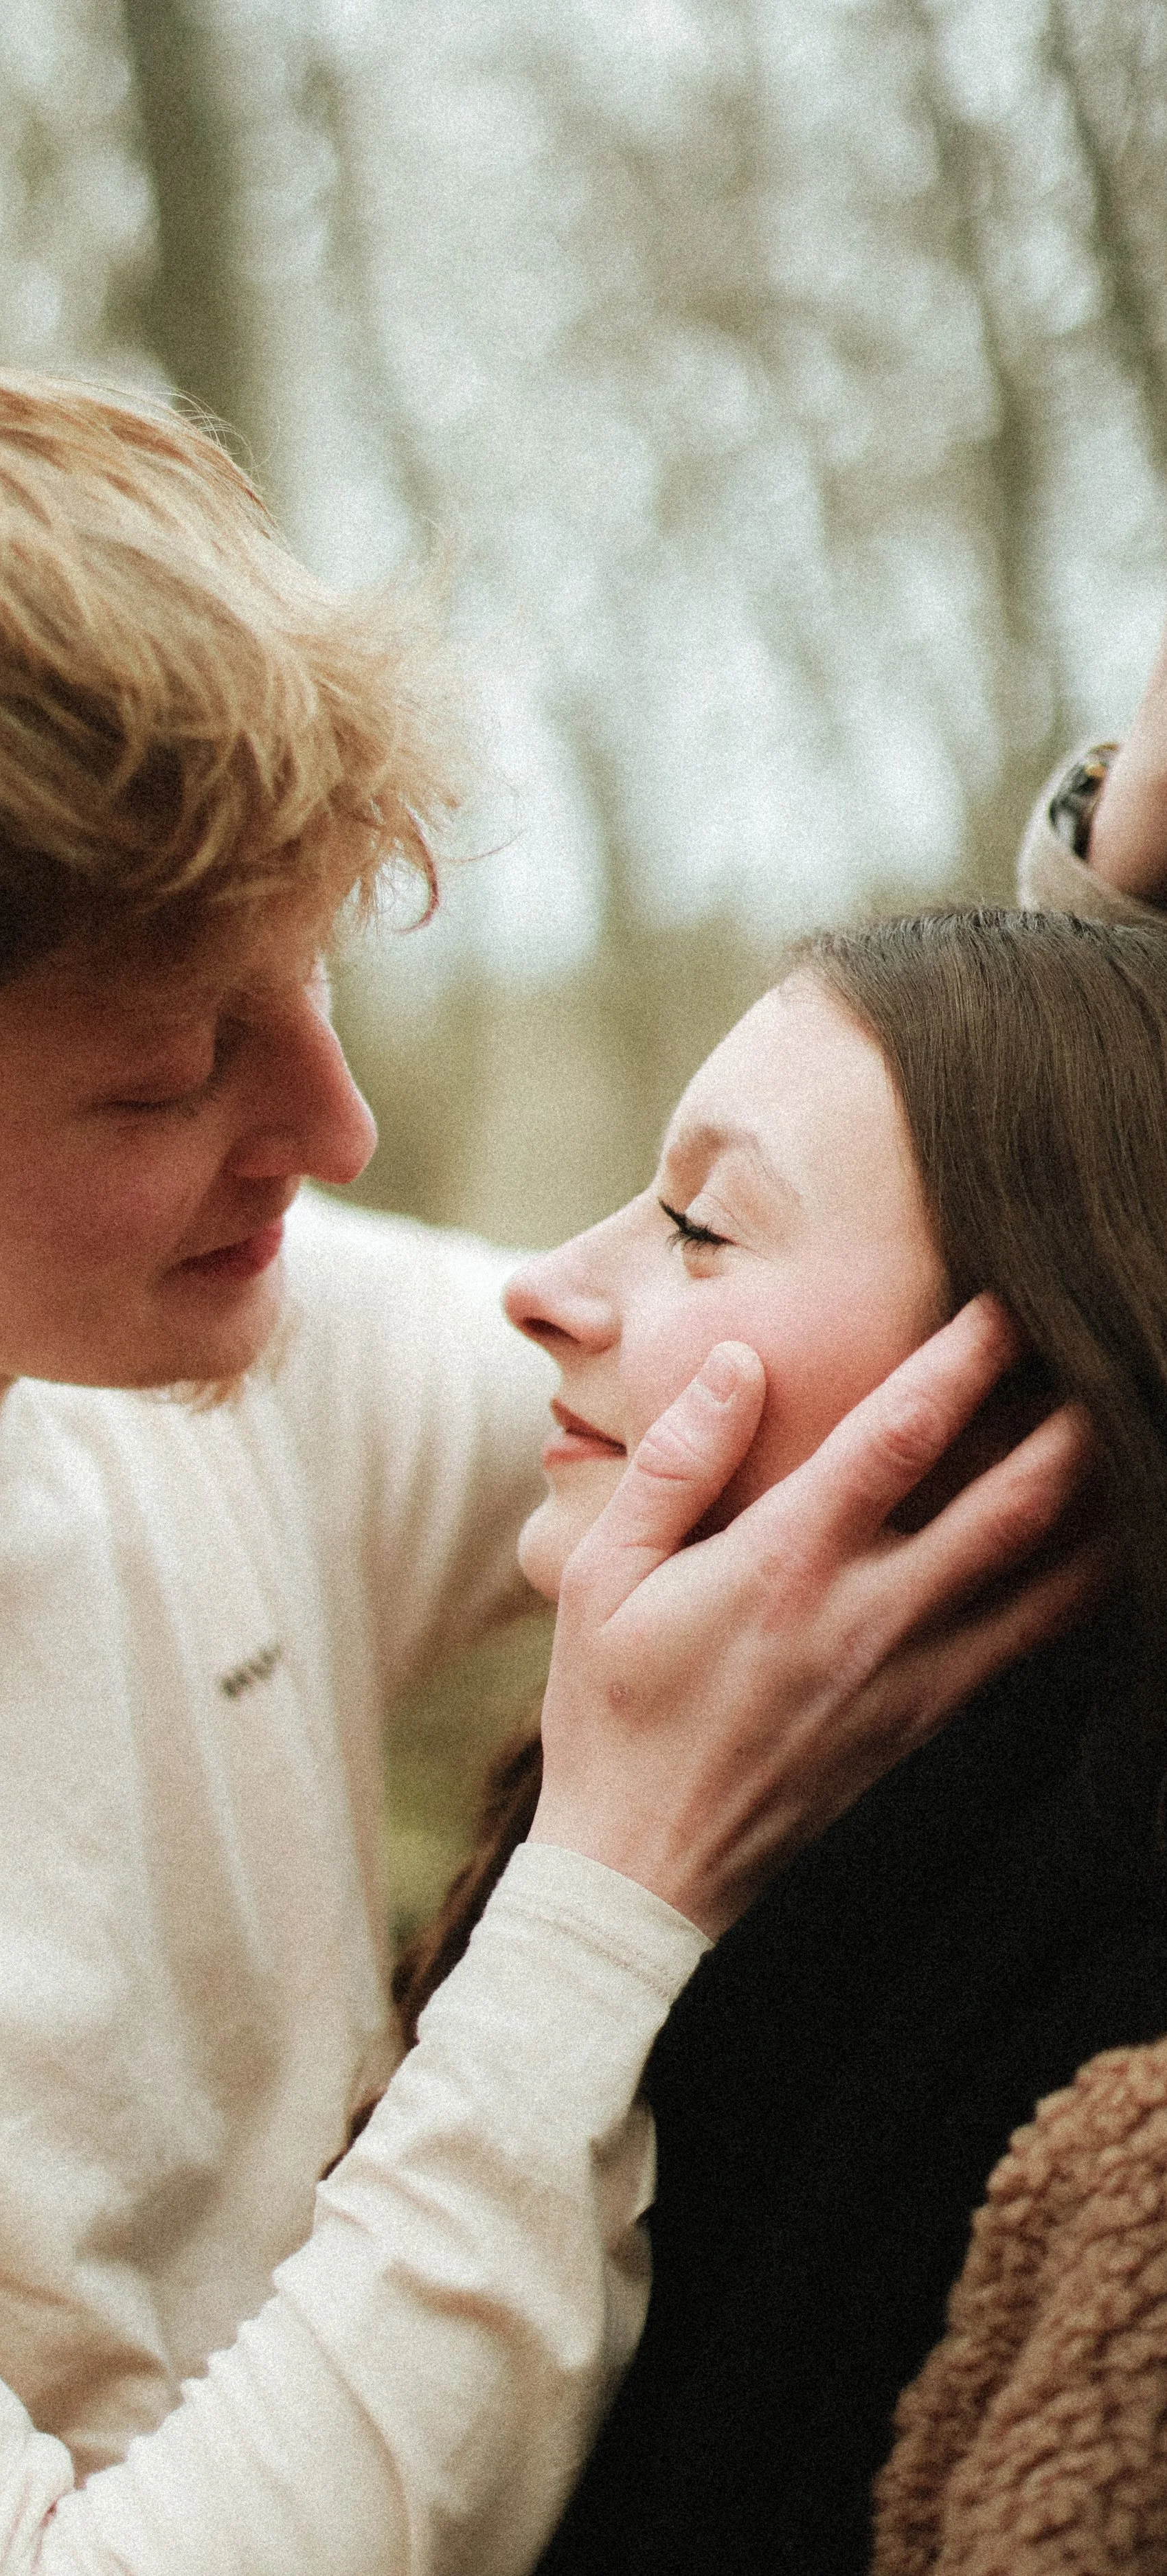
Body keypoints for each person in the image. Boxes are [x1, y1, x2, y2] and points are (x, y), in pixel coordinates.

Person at [0, 319, 1101, 2576]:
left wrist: (1103, 916)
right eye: (163, 1080)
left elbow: (836, 1359)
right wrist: (614, 1897)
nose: (332, 1135)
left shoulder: (187, 1333)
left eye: (312, 985)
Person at [390, 901, 1167, 2575]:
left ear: (1020, 1400)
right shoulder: (604, 1871)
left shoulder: (1124, 2169)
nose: (543, 1288)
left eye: (697, 1224)